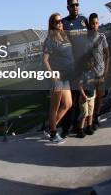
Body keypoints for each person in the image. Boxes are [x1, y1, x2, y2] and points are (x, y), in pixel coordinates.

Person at [41, 13, 74, 144]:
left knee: (68, 104)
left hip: (66, 77)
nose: (60, 23)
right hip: (57, 78)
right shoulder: (50, 40)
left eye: (61, 21)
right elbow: (44, 60)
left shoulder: (64, 36)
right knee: (54, 107)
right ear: (52, 24)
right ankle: (53, 134)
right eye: (57, 21)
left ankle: (50, 128)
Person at [60, 0, 89, 137]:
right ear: (68, 7)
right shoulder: (64, 23)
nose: (75, 7)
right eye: (72, 5)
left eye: (77, 4)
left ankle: (78, 126)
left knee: (80, 99)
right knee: (69, 101)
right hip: (71, 68)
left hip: (84, 67)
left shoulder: (84, 20)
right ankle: (65, 129)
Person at [87, 13, 109, 129]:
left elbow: (107, 55)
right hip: (91, 74)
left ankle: (96, 117)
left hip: (101, 73)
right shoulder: (86, 38)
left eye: (96, 23)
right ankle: (90, 121)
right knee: (92, 98)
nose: (94, 25)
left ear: (98, 23)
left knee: (100, 96)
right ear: (89, 24)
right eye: (92, 23)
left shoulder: (102, 37)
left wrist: (106, 71)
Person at [76, 58, 99, 138]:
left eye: (93, 63)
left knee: (91, 113)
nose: (92, 64)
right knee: (84, 114)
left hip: (92, 96)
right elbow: (80, 86)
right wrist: (83, 95)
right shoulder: (83, 74)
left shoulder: (93, 72)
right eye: (90, 63)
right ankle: (80, 129)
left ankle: (89, 127)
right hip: (84, 97)